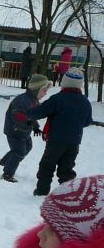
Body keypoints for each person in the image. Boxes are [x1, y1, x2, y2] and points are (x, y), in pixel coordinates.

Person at [28, 68, 93, 196]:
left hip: (56, 140)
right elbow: (87, 122)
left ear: (64, 82)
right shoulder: (85, 102)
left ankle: (42, 190)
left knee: (47, 165)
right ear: (80, 85)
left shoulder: (58, 99)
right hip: (74, 142)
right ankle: (69, 194)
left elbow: (41, 111)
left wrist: (28, 113)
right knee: (66, 169)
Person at [0, 74, 51, 183]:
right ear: (36, 89)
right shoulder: (23, 100)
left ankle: (6, 160)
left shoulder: (34, 100)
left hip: (24, 131)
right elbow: (17, 115)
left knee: (28, 147)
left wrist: (35, 127)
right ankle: (7, 173)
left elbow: (32, 116)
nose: (46, 93)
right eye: (44, 90)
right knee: (19, 151)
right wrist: (28, 123)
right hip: (14, 130)